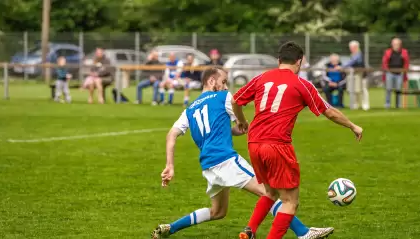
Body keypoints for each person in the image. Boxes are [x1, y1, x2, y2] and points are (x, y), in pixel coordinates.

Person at [151, 66, 334, 239]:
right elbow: (236, 105)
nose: (225, 86)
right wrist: (243, 122)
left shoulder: (189, 109)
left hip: (208, 165)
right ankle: (303, 232)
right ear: (212, 81)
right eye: (223, 82)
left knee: (218, 212)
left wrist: (170, 165)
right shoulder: (223, 97)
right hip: (226, 160)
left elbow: (171, 135)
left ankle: (170, 228)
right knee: (269, 193)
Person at [231, 41, 363, 239]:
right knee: (290, 201)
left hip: (254, 143)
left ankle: (249, 231)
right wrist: (353, 125)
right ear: (299, 62)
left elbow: (235, 100)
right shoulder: (302, 84)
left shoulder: (261, 77)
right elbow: (330, 112)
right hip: (276, 145)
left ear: (278, 60)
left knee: (270, 193)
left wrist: (241, 121)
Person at [339, 40, 369, 110]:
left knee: (363, 90)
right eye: (350, 47)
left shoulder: (359, 54)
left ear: (356, 47)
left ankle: (365, 105)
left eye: (352, 47)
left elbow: (351, 62)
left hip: (362, 75)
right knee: (355, 90)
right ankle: (355, 104)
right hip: (354, 75)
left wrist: (342, 67)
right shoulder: (352, 55)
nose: (351, 49)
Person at [382, 37, 409, 109]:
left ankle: (398, 105)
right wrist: (387, 70)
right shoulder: (388, 52)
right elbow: (384, 62)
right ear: (392, 44)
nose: (396, 45)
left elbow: (406, 63)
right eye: (394, 44)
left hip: (399, 73)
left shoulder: (404, 52)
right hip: (389, 73)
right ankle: (387, 104)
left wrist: (404, 70)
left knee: (398, 90)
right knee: (388, 89)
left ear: (400, 44)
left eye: (397, 44)